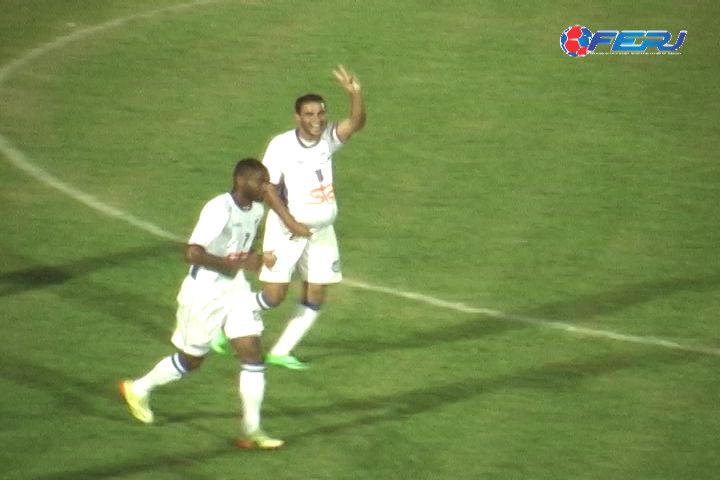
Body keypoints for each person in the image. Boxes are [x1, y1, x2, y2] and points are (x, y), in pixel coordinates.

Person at [119, 158, 284, 449]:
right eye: (261, 181)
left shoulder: (257, 210)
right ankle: (138, 388)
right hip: (205, 291)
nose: (266, 187)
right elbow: (192, 253)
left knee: (253, 354)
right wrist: (229, 264)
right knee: (191, 360)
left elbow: (243, 252)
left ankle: (251, 430)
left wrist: (256, 259)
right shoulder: (218, 209)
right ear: (242, 181)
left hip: (235, 290)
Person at [251, 65, 366, 370]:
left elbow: (355, 123)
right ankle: (226, 324)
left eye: (321, 114)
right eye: (309, 115)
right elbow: (268, 189)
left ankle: (281, 350)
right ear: (297, 117)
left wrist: (355, 93)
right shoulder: (282, 145)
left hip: (322, 231)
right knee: (274, 295)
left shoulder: (328, 139)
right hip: (287, 230)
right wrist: (291, 223)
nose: (317, 120)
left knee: (316, 291)